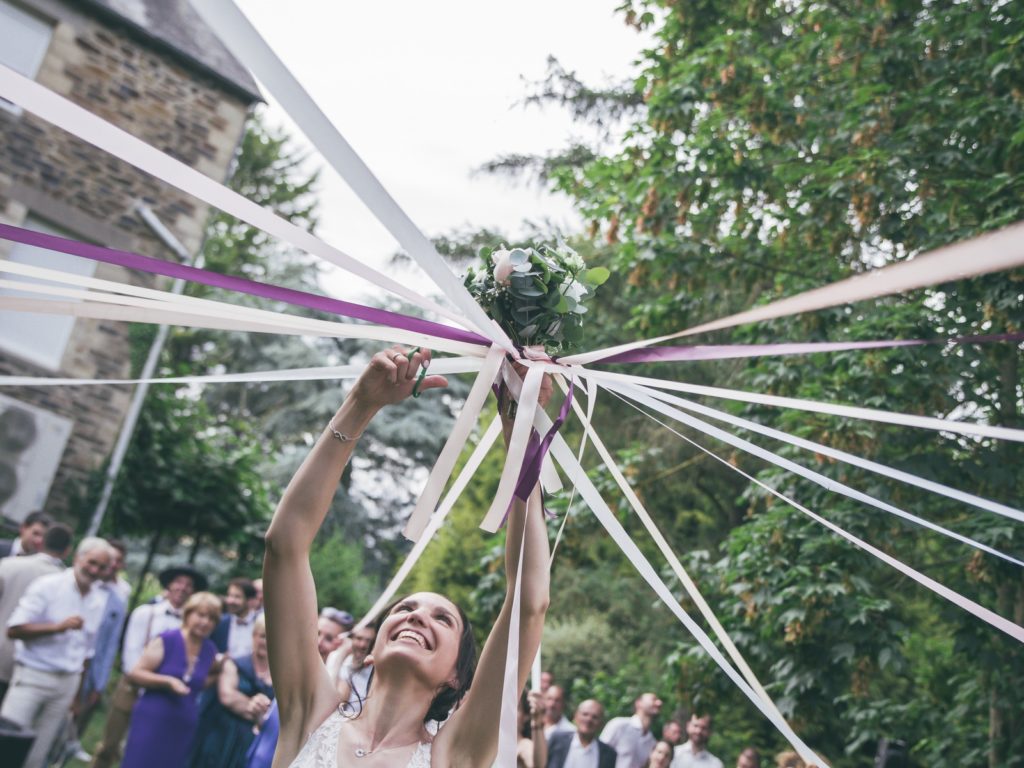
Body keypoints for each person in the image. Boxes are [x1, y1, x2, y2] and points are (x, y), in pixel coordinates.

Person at [264, 346, 550, 767]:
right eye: (405, 608)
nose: (417, 616)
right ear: (371, 651)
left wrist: (518, 421)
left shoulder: (454, 753)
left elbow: (529, 602)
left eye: (442, 619)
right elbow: (283, 545)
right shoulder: (309, 712)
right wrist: (360, 404)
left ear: (455, 676)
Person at [0, 536, 111, 768]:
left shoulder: (99, 599)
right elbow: (15, 629)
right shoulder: (49, 585)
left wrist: (77, 696)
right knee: (6, 745)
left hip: (66, 682)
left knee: (37, 756)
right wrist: (57, 627)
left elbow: (86, 653)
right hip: (32, 675)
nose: (94, 570)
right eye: (91, 562)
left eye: (101, 567)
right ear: (78, 557)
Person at [90, 563, 207, 768]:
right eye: (178, 582)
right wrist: (143, 679)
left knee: (143, 749)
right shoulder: (146, 613)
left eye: (189, 585)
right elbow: (131, 652)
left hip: (163, 697)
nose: (182, 588)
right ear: (169, 585)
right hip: (132, 687)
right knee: (110, 744)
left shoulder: (192, 625)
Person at [120, 591, 221, 768]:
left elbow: (201, 679)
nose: (205, 622)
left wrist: (219, 674)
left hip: (183, 723)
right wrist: (167, 681)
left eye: (211, 618)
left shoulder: (210, 650)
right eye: (201, 615)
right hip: (153, 717)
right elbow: (136, 673)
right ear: (188, 614)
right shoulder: (167, 639)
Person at [69, 539, 131, 760]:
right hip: (63, 662)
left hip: (90, 669)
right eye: (109, 560)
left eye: (117, 561)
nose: (112, 565)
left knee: (76, 720)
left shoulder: (117, 598)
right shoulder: (74, 584)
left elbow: (110, 643)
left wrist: (101, 681)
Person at [189, 613, 274, 768]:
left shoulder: (279, 675)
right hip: (223, 737)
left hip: (254, 742)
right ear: (254, 636)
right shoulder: (234, 663)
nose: (266, 642)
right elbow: (227, 696)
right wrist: (256, 709)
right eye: (263, 636)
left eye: (272, 637)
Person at [0, 522, 72, 703]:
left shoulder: (8, 565)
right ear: (67, 551)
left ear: (43, 542)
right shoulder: (66, 583)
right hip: (29, 665)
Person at [546, 699, 617, 768]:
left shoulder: (608, 754)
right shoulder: (557, 740)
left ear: (601, 724)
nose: (589, 719)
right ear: (575, 716)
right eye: (585, 714)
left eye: (595, 717)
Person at [600, 692, 663, 768]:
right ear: (638, 703)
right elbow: (599, 753)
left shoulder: (652, 742)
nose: (659, 703)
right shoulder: (619, 725)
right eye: (654, 699)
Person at [326, 622, 375, 713]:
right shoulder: (336, 658)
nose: (362, 645)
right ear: (351, 638)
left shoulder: (375, 671)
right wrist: (341, 655)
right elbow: (328, 698)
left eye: (368, 641)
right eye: (359, 638)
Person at [212, 577, 259, 659]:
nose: (230, 601)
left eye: (237, 597)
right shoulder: (219, 623)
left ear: (249, 601)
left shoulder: (260, 623)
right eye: (229, 595)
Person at [517, 690, 546, 768]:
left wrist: (537, 721)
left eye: (516, 707)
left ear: (525, 717)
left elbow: (538, 766)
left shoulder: (523, 745)